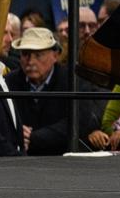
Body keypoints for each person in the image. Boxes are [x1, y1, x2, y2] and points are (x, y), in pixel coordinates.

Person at [7, 27, 84, 156]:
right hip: (18, 160)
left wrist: (35, 137)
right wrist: (16, 131)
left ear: (55, 55)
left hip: (61, 157)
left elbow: (80, 121)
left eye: (38, 55)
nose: (30, 61)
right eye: (25, 54)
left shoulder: (71, 82)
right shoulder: (9, 82)